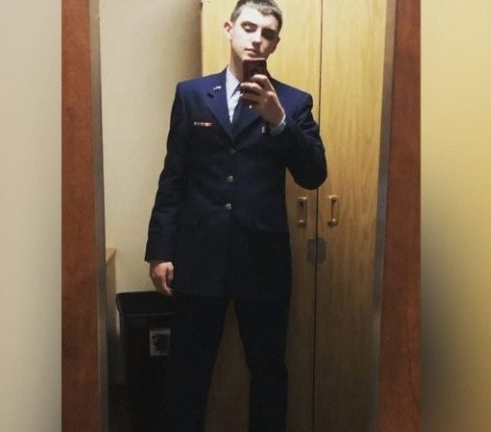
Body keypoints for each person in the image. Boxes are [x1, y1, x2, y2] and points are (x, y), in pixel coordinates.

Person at [145, 1, 326, 430]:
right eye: (248, 27)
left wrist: (279, 121)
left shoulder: (293, 102)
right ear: (229, 29)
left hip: (263, 261)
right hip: (197, 258)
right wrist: (160, 250)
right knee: (187, 371)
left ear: (275, 44)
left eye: (267, 33)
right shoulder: (191, 95)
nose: (256, 39)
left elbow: (314, 174)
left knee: (268, 370)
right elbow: (174, 177)